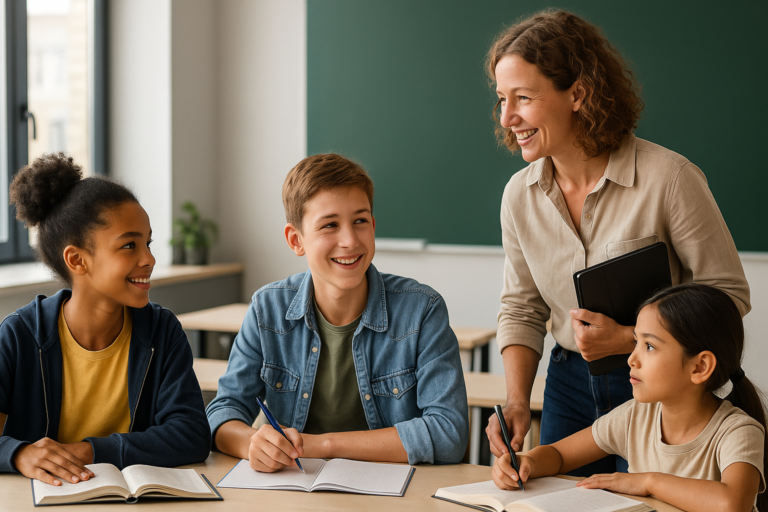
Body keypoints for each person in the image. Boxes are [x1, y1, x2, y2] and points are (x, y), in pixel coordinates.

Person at [485, 9, 751, 475]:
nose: (508, 117)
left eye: (523, 98)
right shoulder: (518, 196)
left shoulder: (670, 179)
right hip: (568, 382)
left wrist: (629, 339)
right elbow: (522, 309)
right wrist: (517, 402)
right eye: (501, 99)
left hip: (664, 388)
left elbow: (727, 297)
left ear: (578, 94)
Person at [206, 153, 468, 470]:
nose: (349, 240)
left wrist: (324, 445)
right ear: (296, 239)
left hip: (392, 493)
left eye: (360, 221)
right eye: (330, 225)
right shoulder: (267, 309)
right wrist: (252, 444)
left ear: (373, 224)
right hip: (296, 489)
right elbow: (223, 412)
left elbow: (449, 435)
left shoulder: (422, 310)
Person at [0, 153, 211, 486]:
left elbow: (191, 434)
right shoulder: (20, 334)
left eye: (148, 242)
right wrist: (18, 453)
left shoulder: (161, 331)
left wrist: (86, 452)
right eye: (129, 245)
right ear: (77, 260)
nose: (149, 259)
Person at [493, 283, 766, 512]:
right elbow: (559, 455)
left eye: (649, 346)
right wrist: (527, 462)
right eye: (635, 342)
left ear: (700, 367)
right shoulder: (635, 416)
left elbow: (732, 503)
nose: (632, 358)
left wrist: (647, 482)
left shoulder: (738, 431)